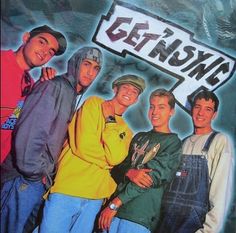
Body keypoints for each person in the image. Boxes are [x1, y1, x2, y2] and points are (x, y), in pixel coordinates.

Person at [0, 46, 103, 233]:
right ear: (75, 64)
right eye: (87, 64)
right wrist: (34, 173)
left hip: (38, 180)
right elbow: (30, 133)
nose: (91, 71)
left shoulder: (71, 94)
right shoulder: (54, 86)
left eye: (96, 68)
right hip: (23, 178)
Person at [36, 74, 146, 233]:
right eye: (125, 87)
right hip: (68, 188)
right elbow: (84, 146)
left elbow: (115, 157)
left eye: (135, 91)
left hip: (96, 199)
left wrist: (110, 120)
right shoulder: (94, 104)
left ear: (136, 99)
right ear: (115, 89)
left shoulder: (127, 132)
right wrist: (109, 162)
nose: (129, 91)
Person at [98, 88, 182, 233]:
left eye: (161, 107)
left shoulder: (173, 142)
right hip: (114, 212)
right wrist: (129, 172)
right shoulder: (139, 137)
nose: (155, 112)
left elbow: (148, 178)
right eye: (152, 106)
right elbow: (117, 167)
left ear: (171, 111)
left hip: (138, 216)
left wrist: (115, 204)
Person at [157, 90, 234, 233]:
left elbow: (220, 193)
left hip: (192, 226)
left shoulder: (219, 141)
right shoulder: (182, 143)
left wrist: (207, 231)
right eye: (198, 107)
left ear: (214, 115)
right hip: (165, 223)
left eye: (208, 109)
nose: (201, 113)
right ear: (191, 110)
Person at [1, 24, 67, 163]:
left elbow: (12, 124)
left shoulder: (29, 84)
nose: (45, 52)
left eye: (51, 52)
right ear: (26, 38)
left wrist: (40, 87)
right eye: (42, 42)